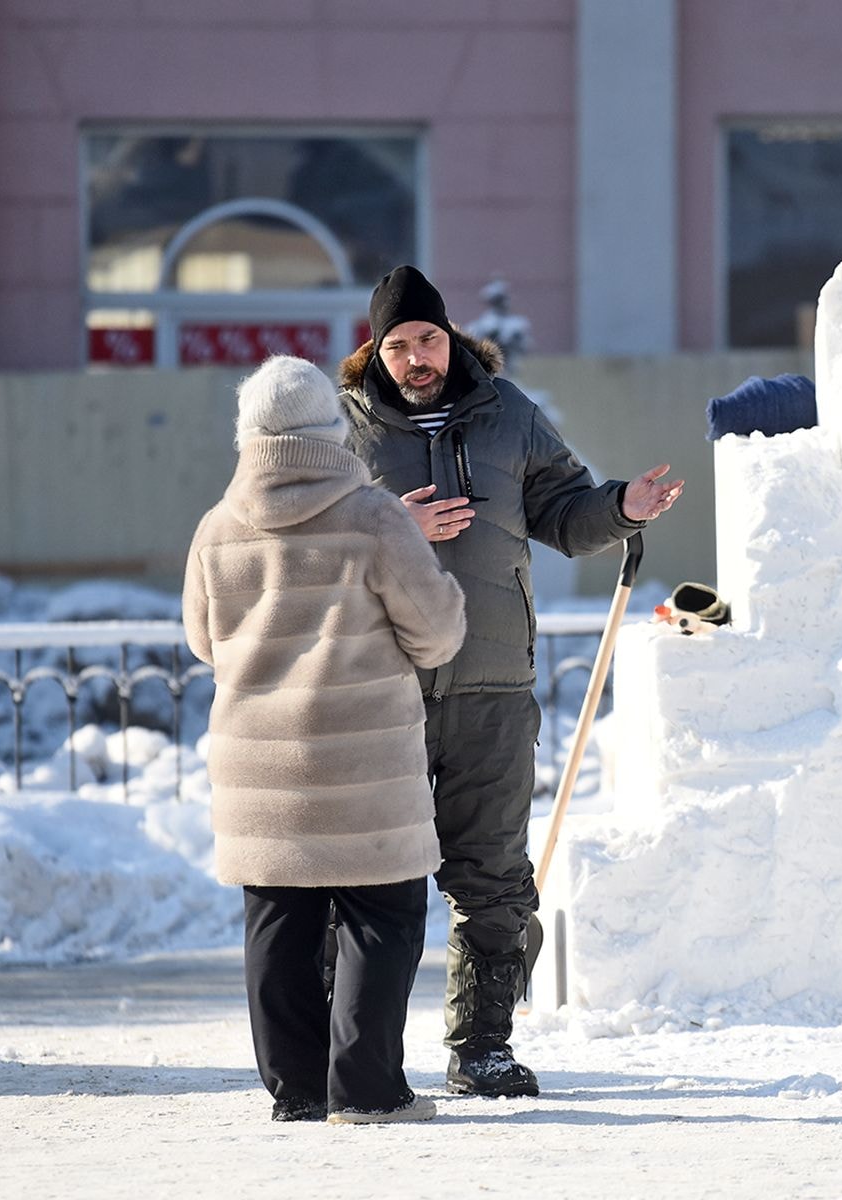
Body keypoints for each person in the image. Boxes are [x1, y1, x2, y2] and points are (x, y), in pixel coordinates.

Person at [337, 265, 683, 1097]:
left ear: (451, 337)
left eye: (428, 339)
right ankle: (349, 1054)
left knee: (494, 874)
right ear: (373, 354)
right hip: (381, 684)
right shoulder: (339, 431)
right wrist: (395, 525)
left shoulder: (509, 415)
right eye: (399, 346)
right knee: (362, 875)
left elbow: (565, 511)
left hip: (492, 682)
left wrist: (622, 509)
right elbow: (302, 542)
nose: (418, 358)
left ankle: (481, 1044)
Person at [183, 355, 467, 1125]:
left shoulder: (216, 529)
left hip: (258, 765)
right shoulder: (374, 518)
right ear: (329, 431)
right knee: (383, 917)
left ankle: (299, 1090)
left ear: (248, 436)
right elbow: (437, 633)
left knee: (278, 920)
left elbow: (206, 643)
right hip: (363, 764)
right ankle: (369, 1092)